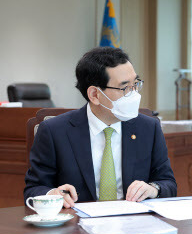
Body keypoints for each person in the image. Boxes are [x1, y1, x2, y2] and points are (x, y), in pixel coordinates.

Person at [24, 47, 177, 208]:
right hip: (77, 226)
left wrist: (153, 189)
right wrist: (52, 194)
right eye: (125, 88)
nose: (134, 94)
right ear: (95, 95)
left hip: (134, 223)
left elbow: (168, 183)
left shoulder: (148, 128)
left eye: (136, 84)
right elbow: (34, 189)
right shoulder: (54, 131)